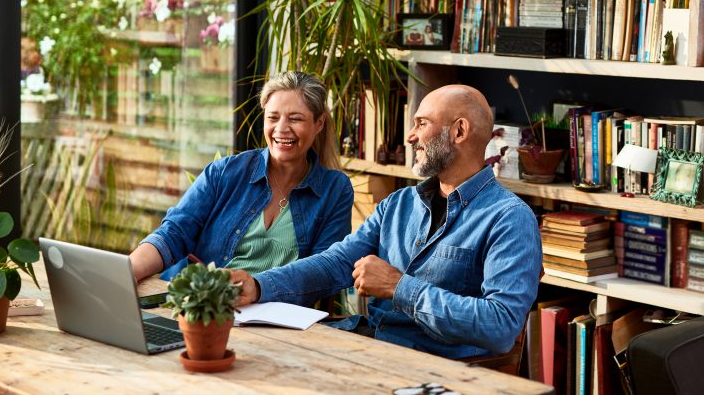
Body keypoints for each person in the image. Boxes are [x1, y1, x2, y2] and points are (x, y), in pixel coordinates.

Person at [230, 84, 542, 360]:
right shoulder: (398, 203)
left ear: (459, 131)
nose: (410, 136)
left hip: (436, 367)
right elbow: (335, 263)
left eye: (421, 124)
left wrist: (398, 286)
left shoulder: (509, 219)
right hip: (370, 346)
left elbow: (500, 326)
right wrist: (259, 286)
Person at [130, 71, 354, 281]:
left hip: (274, 315)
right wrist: (128, 271)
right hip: (205, 307)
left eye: (295, 119)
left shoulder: (335, 190)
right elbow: (173, 234)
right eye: (273, 118)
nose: (281, 128)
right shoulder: (224, 172)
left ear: (319, 123)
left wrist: (257, 288)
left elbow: (323, 271)